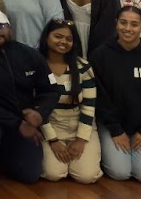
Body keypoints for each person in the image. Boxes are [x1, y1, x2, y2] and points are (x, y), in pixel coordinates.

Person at [0, 9, 62, 184]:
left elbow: (51, 90)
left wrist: (39, 113)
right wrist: (18, 124)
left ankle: (3, 153)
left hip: (21, 116)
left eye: (1, 26)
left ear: (10, 28)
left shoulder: (30, 54)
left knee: (29, 175)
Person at [88, 5, 141, 183]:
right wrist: (116, 130)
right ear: (116, 24)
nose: (128, 28)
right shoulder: (100, 55)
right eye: (123, 23)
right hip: (113, 125)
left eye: (134, 24)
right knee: (120, 173)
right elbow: (99, 97)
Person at [34, 17, 103, 184]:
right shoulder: (36, 65)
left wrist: (81, 139)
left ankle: (76, 162)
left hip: (78, 125)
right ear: (47, 37)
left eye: (69, 39)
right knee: (54, 174)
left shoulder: (83, 66)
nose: (63, 42)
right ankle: (63, 163)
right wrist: (53, 141)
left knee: (87, 176)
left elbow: (89, 105)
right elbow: (36, 108)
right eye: (58, 36)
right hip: (51, 126)